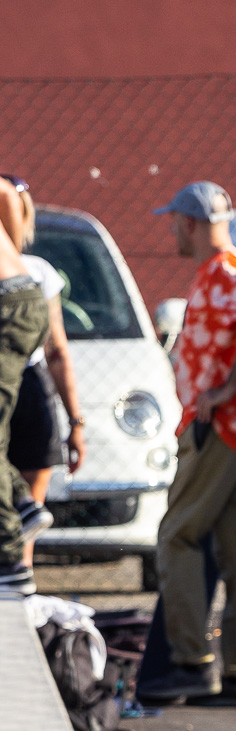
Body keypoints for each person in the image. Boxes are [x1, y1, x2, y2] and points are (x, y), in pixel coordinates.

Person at [137, 181, 236, 709]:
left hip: (220, 428)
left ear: (190, 223)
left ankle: (190, 662)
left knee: (177, 535)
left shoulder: (222, 271)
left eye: (174, 221)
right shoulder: (232, 267)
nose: (172, 229)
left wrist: (224, 390)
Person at [8, 185, 86, 568]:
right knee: (24, 510)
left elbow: (57, 351)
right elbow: (58, 351)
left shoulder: (37, 271)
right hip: (25, 385)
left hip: (25, 386)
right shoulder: (35, 271)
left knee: (27, 512)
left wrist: (76, 422)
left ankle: (18, 589)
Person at [0, 174, 50, 595]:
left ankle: (9, 558)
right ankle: (23, 503)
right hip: (16, 299)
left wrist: (10, 256)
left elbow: (4, 189)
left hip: (8, 303)